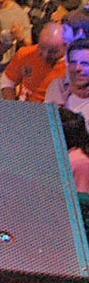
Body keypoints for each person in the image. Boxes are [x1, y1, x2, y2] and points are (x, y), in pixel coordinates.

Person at [46, 38, 89, 192]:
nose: (77, 68)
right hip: (52, 170)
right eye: (73, 62)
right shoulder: (56, 88)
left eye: (85, 64)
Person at [1, 22, 66, 101]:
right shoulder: (26, 54)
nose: (45, 55)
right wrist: (10, 104)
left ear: (66, 46)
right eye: (41, 48)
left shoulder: (74, 68)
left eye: (53, 51)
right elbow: (8, 81)